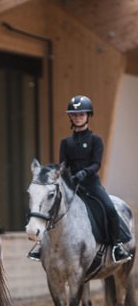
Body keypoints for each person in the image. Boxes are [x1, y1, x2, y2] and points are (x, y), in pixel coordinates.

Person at [28, 95, 133, 264]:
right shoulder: (66, 142)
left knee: (109, 208)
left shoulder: (95, 140)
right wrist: (52, 170)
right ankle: (41, 246)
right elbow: (63, 165)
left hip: (91, 183)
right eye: (75, 115)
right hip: (72, 185)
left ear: (88, 116)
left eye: (81, 115)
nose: (78, 118)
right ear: (71, 117)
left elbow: (97, 163)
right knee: (51, 208)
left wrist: (84, 173)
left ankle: (117, 245)